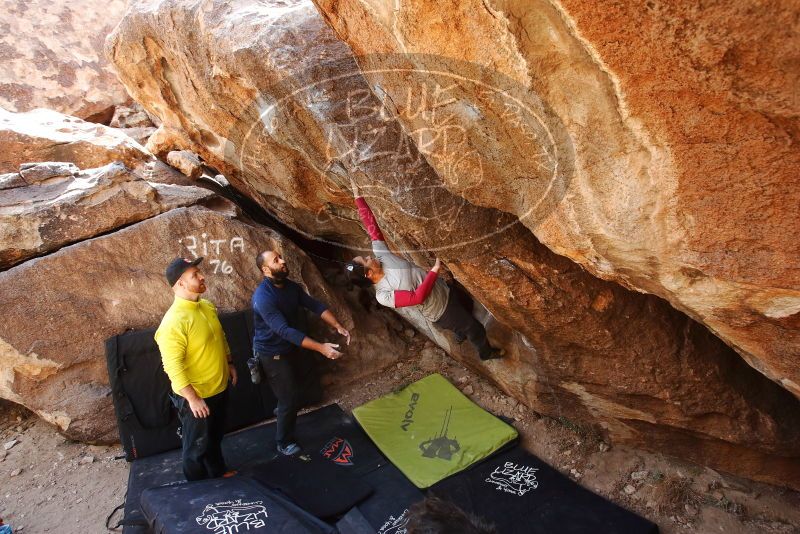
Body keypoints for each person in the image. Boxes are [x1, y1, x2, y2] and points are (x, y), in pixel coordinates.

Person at [345, 180, 503, 361]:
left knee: (466, 302)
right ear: (368, 274)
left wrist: (358, 198)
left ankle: (459, 332)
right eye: (366, 260)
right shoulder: (384, 295)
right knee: (475, 328)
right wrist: (434, 270)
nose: (369, 257)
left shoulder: (381, 255)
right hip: (441, 310)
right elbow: (417, 298)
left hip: (442, 288)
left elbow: (371, 226)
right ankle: (486, 353)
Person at [252, 249, 350, 455]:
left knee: (293, 391)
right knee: (289, 398)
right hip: (272, 354)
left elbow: (314, 305)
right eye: (276, 260)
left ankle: (283, 409)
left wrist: (337, 325)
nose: (283, 261)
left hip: (291, 347)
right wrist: (322, 348)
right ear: (265, 270)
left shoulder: (291, 287)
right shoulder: (263, 298)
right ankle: (283, 442)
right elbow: (284, 330)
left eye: (281, 257)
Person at [154, 257, 238, 481]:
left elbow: (220, 337)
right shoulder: (173, 322)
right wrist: (192, 399)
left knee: (215, 437)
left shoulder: (207, 306)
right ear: (180, 284)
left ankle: (218, 472)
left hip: (218, 388)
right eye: (194, 275)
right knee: (196, 448)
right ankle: (197, 489)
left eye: (199, 272)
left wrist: (229, 363)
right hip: (197, 396)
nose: (202, 277)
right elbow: (172, 367)